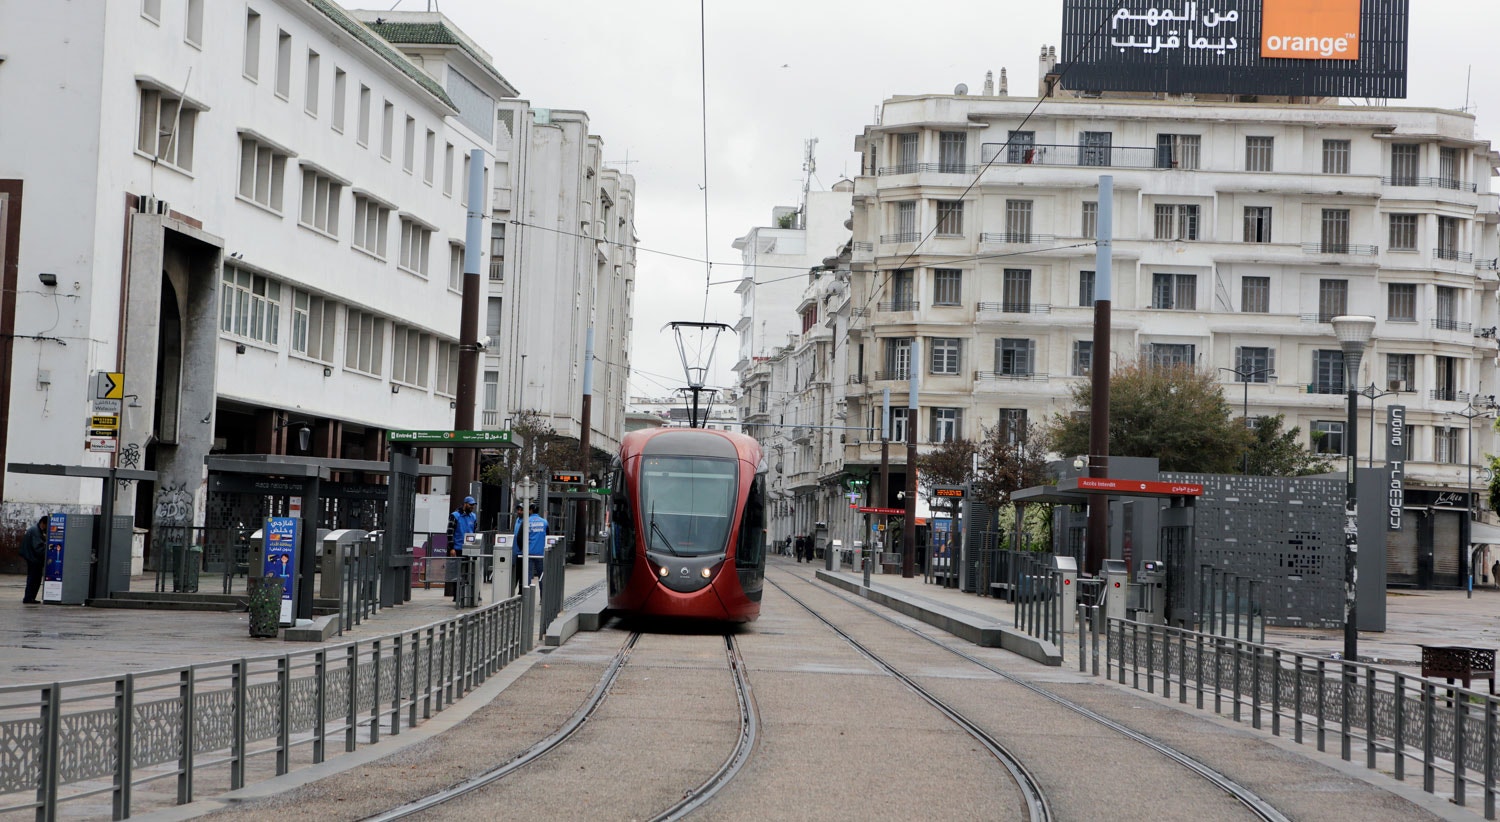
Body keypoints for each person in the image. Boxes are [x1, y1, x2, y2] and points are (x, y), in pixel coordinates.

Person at [514, 503, 547, 588]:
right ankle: (542, 598)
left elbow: (519, 537)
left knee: (527, 576)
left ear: (530, 510)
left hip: (528, 553)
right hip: (540, 554)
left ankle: (527, 597)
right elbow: (548, 536)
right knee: (542, 576)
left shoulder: (526, 521)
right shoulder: (544, 522)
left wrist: (522, 549)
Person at [20, 515, 46, 604]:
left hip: (32, 558)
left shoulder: (36, 529)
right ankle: (28, 598)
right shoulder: (36, 531)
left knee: (34, 578)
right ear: (43, 523)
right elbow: (38, 548)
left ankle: (30, 598)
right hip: (33, 559)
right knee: (34, 579)